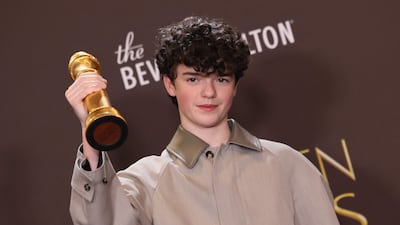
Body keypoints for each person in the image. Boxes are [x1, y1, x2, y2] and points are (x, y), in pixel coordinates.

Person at [65, 16, 340, 225]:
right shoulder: (145, 182)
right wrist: (90, 126)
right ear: (170, 85)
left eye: (221, 79)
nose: (208, 92)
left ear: (235, 86)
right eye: (193, 79)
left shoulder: (287, 165)